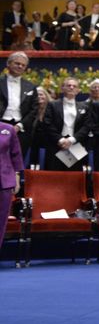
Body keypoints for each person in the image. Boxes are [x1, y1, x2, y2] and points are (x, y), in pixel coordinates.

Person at [42, 78, 89, 171]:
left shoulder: (85, 107)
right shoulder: (52, 104)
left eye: (74, 86)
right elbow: (47, 123)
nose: (71, 87)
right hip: (56, 144)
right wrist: (60, 139)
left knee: (74, 175)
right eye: (68, 85)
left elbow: (86, 126)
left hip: (76, 145)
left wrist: (72, 140)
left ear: (78, 90)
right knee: (54, 174)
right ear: (62, 88)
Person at [1, 52, 38, 165]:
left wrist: (20, 125)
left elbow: (34, 109)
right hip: (1, 124)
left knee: (16, 163)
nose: (20, 66)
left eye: (23, 65)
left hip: (21, 129)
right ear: (8, 64)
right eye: (17, 63)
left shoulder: (31, 86)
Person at [0, 121, 23, 250]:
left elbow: (16, 155)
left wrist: (17, 177)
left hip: (4, 180)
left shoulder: (8, 129)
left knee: (1, 220)